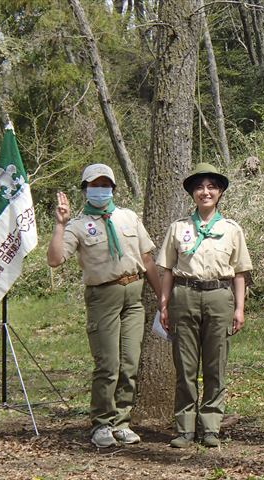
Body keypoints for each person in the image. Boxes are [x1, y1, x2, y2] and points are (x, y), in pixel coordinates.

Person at [47, 163, 161, 448]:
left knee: (130, 363)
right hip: (103, 298)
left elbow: (147, 259)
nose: (101, 190)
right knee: (108, 365)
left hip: (133, 297)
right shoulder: (76, 225)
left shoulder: (128, 217)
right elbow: (55, 259)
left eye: (105, 184)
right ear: (85, 190)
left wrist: (162, 297)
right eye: (94, 185)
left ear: (112, 187)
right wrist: (59, 225)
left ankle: (122, 422)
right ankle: (101, 423)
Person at [156, 163, 252, 448]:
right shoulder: (179, 228)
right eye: (199, 187)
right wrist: (164, 305)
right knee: (185, 366)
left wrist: (239, 308)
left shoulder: (232, 229)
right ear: (192, 193)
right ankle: (184, 428)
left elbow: (240, 272)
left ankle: (211, 426)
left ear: (220, 192)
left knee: (215, 364)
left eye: (211, 187)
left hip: (219, 296)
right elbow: (168, 271)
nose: (205, 192)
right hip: (184, 296)